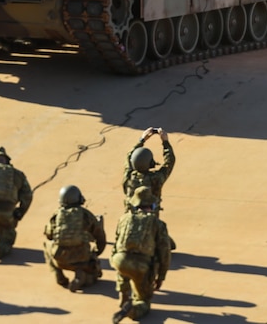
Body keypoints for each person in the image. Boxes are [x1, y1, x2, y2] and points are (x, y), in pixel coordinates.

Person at [110, 186, 171, 323]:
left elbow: (116, 243)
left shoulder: (124, 218)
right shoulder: (157, 223)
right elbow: (164, 253)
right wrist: (161, 276)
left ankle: (124, 294)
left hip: (119, 260)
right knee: (144, 301)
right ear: (152, 205)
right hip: (140, 265)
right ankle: (132, 310)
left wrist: (113, 260)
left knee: (123, 266)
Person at [43, 184, 107, 292]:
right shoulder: (86, 215)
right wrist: (96, 252)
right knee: (92, 278)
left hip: (60, 258)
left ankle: (59, 275)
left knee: (46, 247)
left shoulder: (56, 215)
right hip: (81, 259)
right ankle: (80, 274)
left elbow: (49, 235)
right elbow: (100, 236)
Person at [123, 127, 175, 210]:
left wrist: (142, 139)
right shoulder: (156, 178)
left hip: (131, 220)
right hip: (151, 221)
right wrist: (165, 142)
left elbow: (129, 157)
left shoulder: (128, 177)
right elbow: (169, 162)